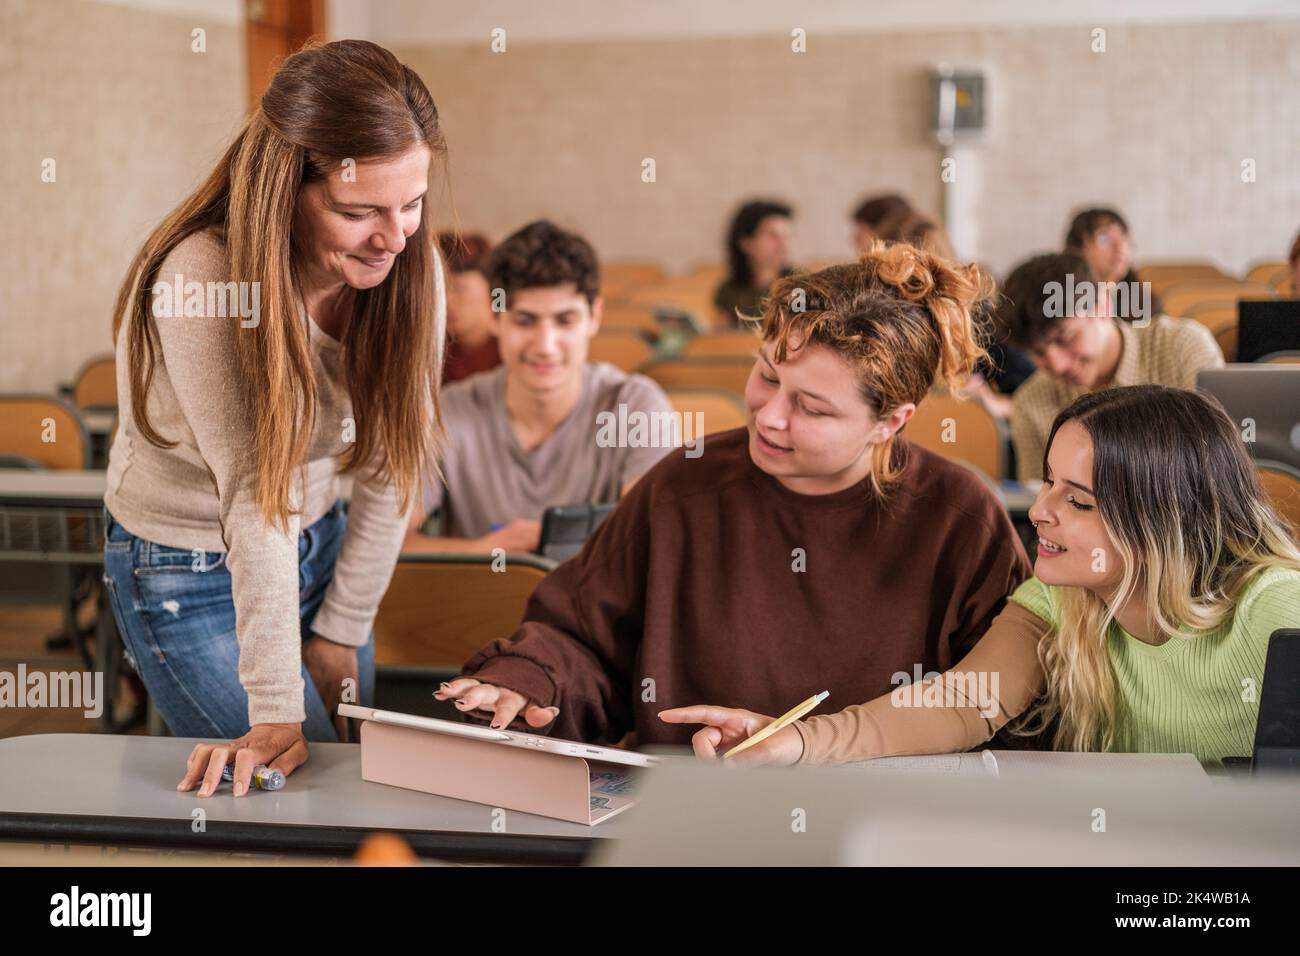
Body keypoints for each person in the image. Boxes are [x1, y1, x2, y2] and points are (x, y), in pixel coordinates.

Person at [435, 242, 1030, 748]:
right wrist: (530, 679)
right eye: (768, 376)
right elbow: (583, 637)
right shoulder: (685, 483)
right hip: (693, 807)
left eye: (811, 407)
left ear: (890, 422)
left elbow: (1008, 711)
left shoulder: (959, 521)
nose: (768, 417)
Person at [101, 39, 447, 797]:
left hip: (317, 541)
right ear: (287, 189)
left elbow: (397, 462)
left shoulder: (410, 266)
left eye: (413, 202)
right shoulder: (204, 277)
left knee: (355, 783)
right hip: (191, 564)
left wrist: (342, 627)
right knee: (308, 792)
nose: (395, 236)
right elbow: (257, 493)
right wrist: (276, 707)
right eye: (360, 212)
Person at [666, 386, 1300, 768]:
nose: (1042, 512)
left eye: (1079, 502)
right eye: (1048, 480)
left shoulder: (1276, 608)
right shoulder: (1058, 596)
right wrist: (795, 743)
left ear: (1162, 523)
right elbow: (959, 703)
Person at [405, 220, 675, 554]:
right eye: (524, 321)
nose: (545, 345)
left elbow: (648, 541)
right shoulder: (450, 411)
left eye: (565, 321)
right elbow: (387, 542)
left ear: (594, 317)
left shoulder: (636, 405)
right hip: (481, 603)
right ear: (495, 317)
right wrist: (483, 552)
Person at [1000, 252, 1223, 483]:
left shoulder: (1180, 348)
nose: (1057, 364)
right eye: (1038, 353)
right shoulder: (1030, 402)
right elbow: (1042, 507)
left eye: (1065, 339)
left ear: (1103, 305)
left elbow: (1220, 468)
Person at [1063, 206, 1165, 319]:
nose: (1119, 246)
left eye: (1124, 237)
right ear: (1077, 249)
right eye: (1104, 238)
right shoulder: (1059, 299)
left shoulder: (1147, 303)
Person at [712, 199, 798, 327]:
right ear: (746, 242)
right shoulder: (728, 292)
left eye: (787, 236)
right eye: (773, 235)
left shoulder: (800, 286)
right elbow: (723, 338)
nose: (783, 245)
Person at [440, 232, 500, 383]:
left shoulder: (511, 349)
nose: (447, 300)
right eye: (440, 289)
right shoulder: (432, 349)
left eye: (459, 288)